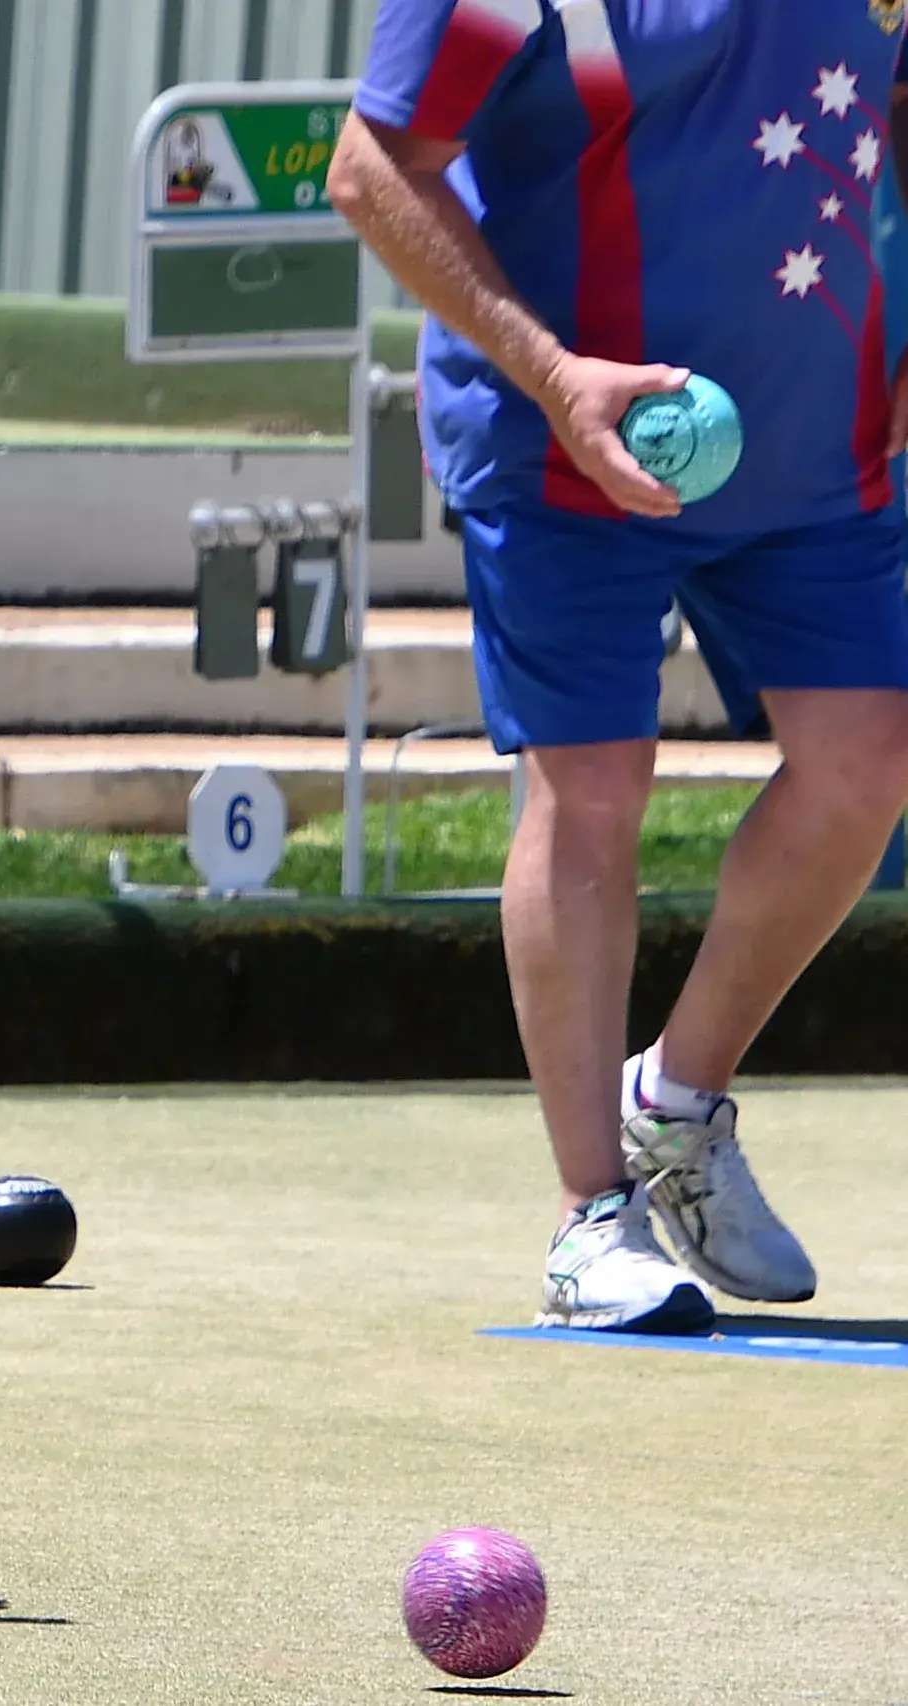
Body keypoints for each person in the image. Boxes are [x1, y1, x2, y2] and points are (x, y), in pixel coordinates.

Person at [332, 0, 908, 1332]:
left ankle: (677, 1102)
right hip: (557, 447)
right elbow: (373, 167)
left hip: (815, 447)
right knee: (589, 789)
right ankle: (589, 1213)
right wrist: (549, 374)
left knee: (868, 764)